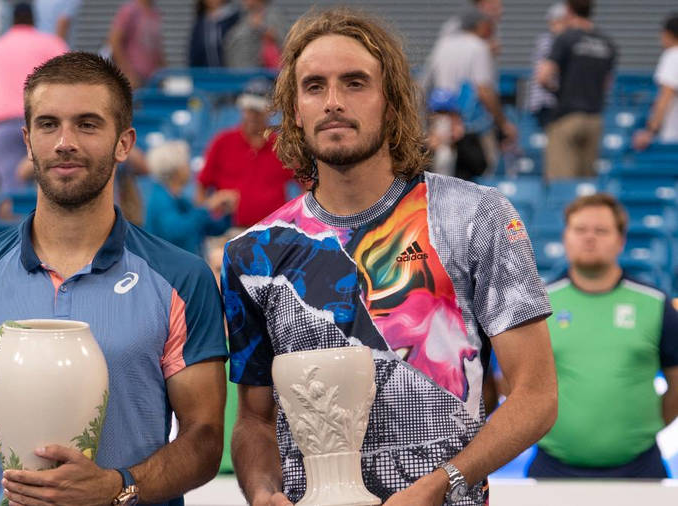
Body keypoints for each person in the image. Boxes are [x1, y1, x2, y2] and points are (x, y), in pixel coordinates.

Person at [223, 9, 557, 506]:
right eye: (314, 87)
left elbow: (536, 394)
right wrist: (262, 491)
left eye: (355, 83)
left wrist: (440, 484)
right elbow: (254, 420)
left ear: (392, 101)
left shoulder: (475, 216)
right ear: (294, 109)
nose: (333, 102)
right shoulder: (251, 253)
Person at [0, 51, 228, 506]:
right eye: (48, 124)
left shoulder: (183, 278)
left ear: (124, 143)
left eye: (87, 124)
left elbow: (204, 438)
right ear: (26, 140)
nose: (65, 142)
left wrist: (120, 488)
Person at [529, 194, 678, 478]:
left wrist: (639, 430)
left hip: (639, 470)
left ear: (620, 241)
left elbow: (677, 384)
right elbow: (514, 384)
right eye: (580, 230)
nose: (589, 238)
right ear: (565, 237)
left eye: (601, 231)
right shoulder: (538, 306)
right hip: (553, 469)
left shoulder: (655, 304)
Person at [0, 2, 68, 200]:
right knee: (53, 187)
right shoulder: (51, 43)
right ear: (33, 19)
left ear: (13, 20)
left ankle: (13, 230)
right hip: (45, 122)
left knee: (9, 192)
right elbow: (71, 81)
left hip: (6, 124)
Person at [423, 7, 516, 180]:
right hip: (471, 126)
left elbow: (425, 84)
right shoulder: (478, 46)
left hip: (442, 119)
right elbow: (484, 90)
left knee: (442, 174)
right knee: (480, 175)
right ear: (480, 26)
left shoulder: (443, 45)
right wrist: (503, 123)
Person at [197, 79, 295, 228]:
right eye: (249, 109)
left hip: (273, 232)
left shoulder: (282, 146)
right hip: (229, 230)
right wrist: (209, 209)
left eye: (258, 110)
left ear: (269, 111)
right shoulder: (222, 142)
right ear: (242, 109)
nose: (253, 115)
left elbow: (306, 184)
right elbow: (201, 187)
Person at [538, 0, 617, 179]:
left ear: (568, 10)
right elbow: (607, 84)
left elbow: (543, 76)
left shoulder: (565, 38)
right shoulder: (607, 43)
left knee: (561, 185)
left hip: (566, 117)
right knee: (585, 187)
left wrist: (557, 91)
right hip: (594, 119)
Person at [144, 140, 237, 255]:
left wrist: (227, 212)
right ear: (176, 170)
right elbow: (176, 232)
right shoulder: (160, 199)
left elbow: (209, 228)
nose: (190, 168)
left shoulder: (179, 199)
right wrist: (208, 207)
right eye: (186, 163)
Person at [633, 13, 678, 150]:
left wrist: (650, 131)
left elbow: (666, 95)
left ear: (668, 34)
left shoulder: (672, 56)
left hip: (673, 141)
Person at [107, 0, 165, 89]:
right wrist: (127, 72)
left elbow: (157, 49)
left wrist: (166, 72)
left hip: (152, 79)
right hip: (134, 79)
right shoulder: (130, 10)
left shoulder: (154, 13)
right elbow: (114, 41)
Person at [528, 3, 568, 130]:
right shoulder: (546, 41)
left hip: (558, 102)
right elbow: (545, 75)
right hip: (547, 102)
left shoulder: (565, 40)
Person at [223, 0, 286, 70]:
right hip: (238, 69)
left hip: (262, 73)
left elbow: (282, 40)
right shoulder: (239, 15)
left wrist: (260, 27)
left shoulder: (272, 15)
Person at [188, 0, 240, 67]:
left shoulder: (234, 18)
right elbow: (194, 53)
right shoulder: (200, 23)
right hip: (205, 74)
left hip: (229, 74)